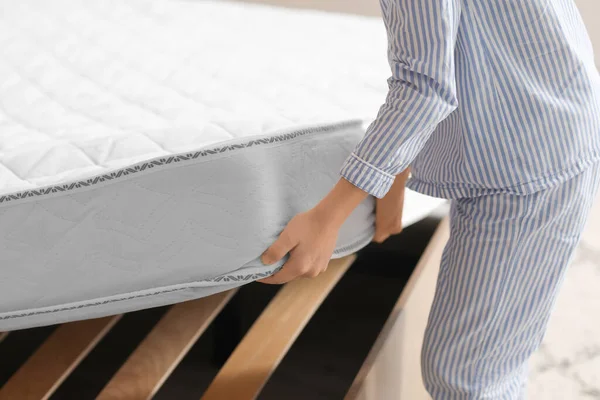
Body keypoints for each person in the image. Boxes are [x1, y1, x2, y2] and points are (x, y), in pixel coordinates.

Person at [259, 0, 600, 398]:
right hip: (553, 119)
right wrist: (396, 173)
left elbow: (424, 88)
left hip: (528, 162)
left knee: (464, 376)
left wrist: (326, 219)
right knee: (494, 361)